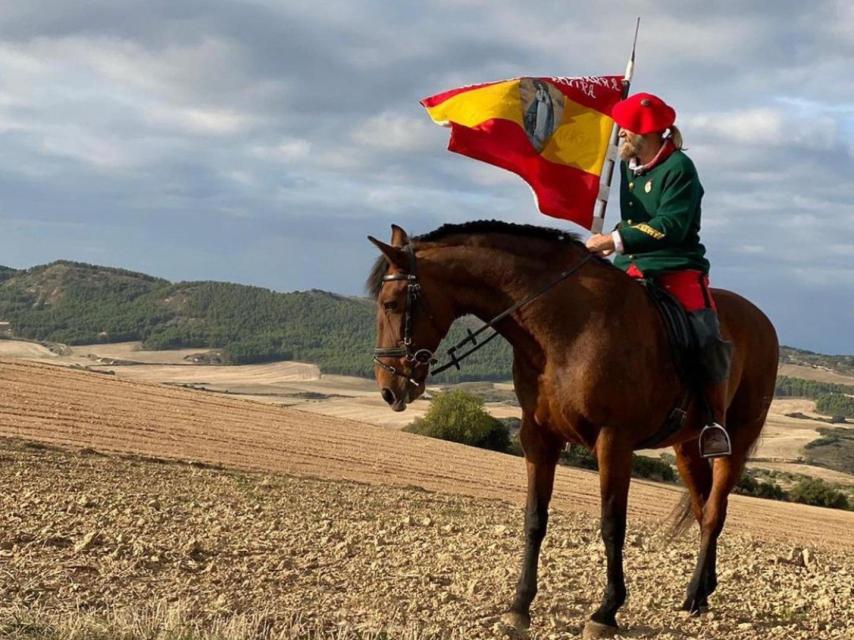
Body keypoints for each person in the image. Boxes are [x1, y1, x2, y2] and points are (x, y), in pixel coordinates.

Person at [585, 92, 733, 458]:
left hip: (675, 264)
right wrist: (614, 239)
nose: (620, 133)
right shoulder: (627, 165)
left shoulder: (680, 168)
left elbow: (670, 225)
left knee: (706, 338)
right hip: (630, 264)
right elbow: (634, 219)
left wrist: (614, 240)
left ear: (646, 133)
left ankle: (713, 422)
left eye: (626, 128)